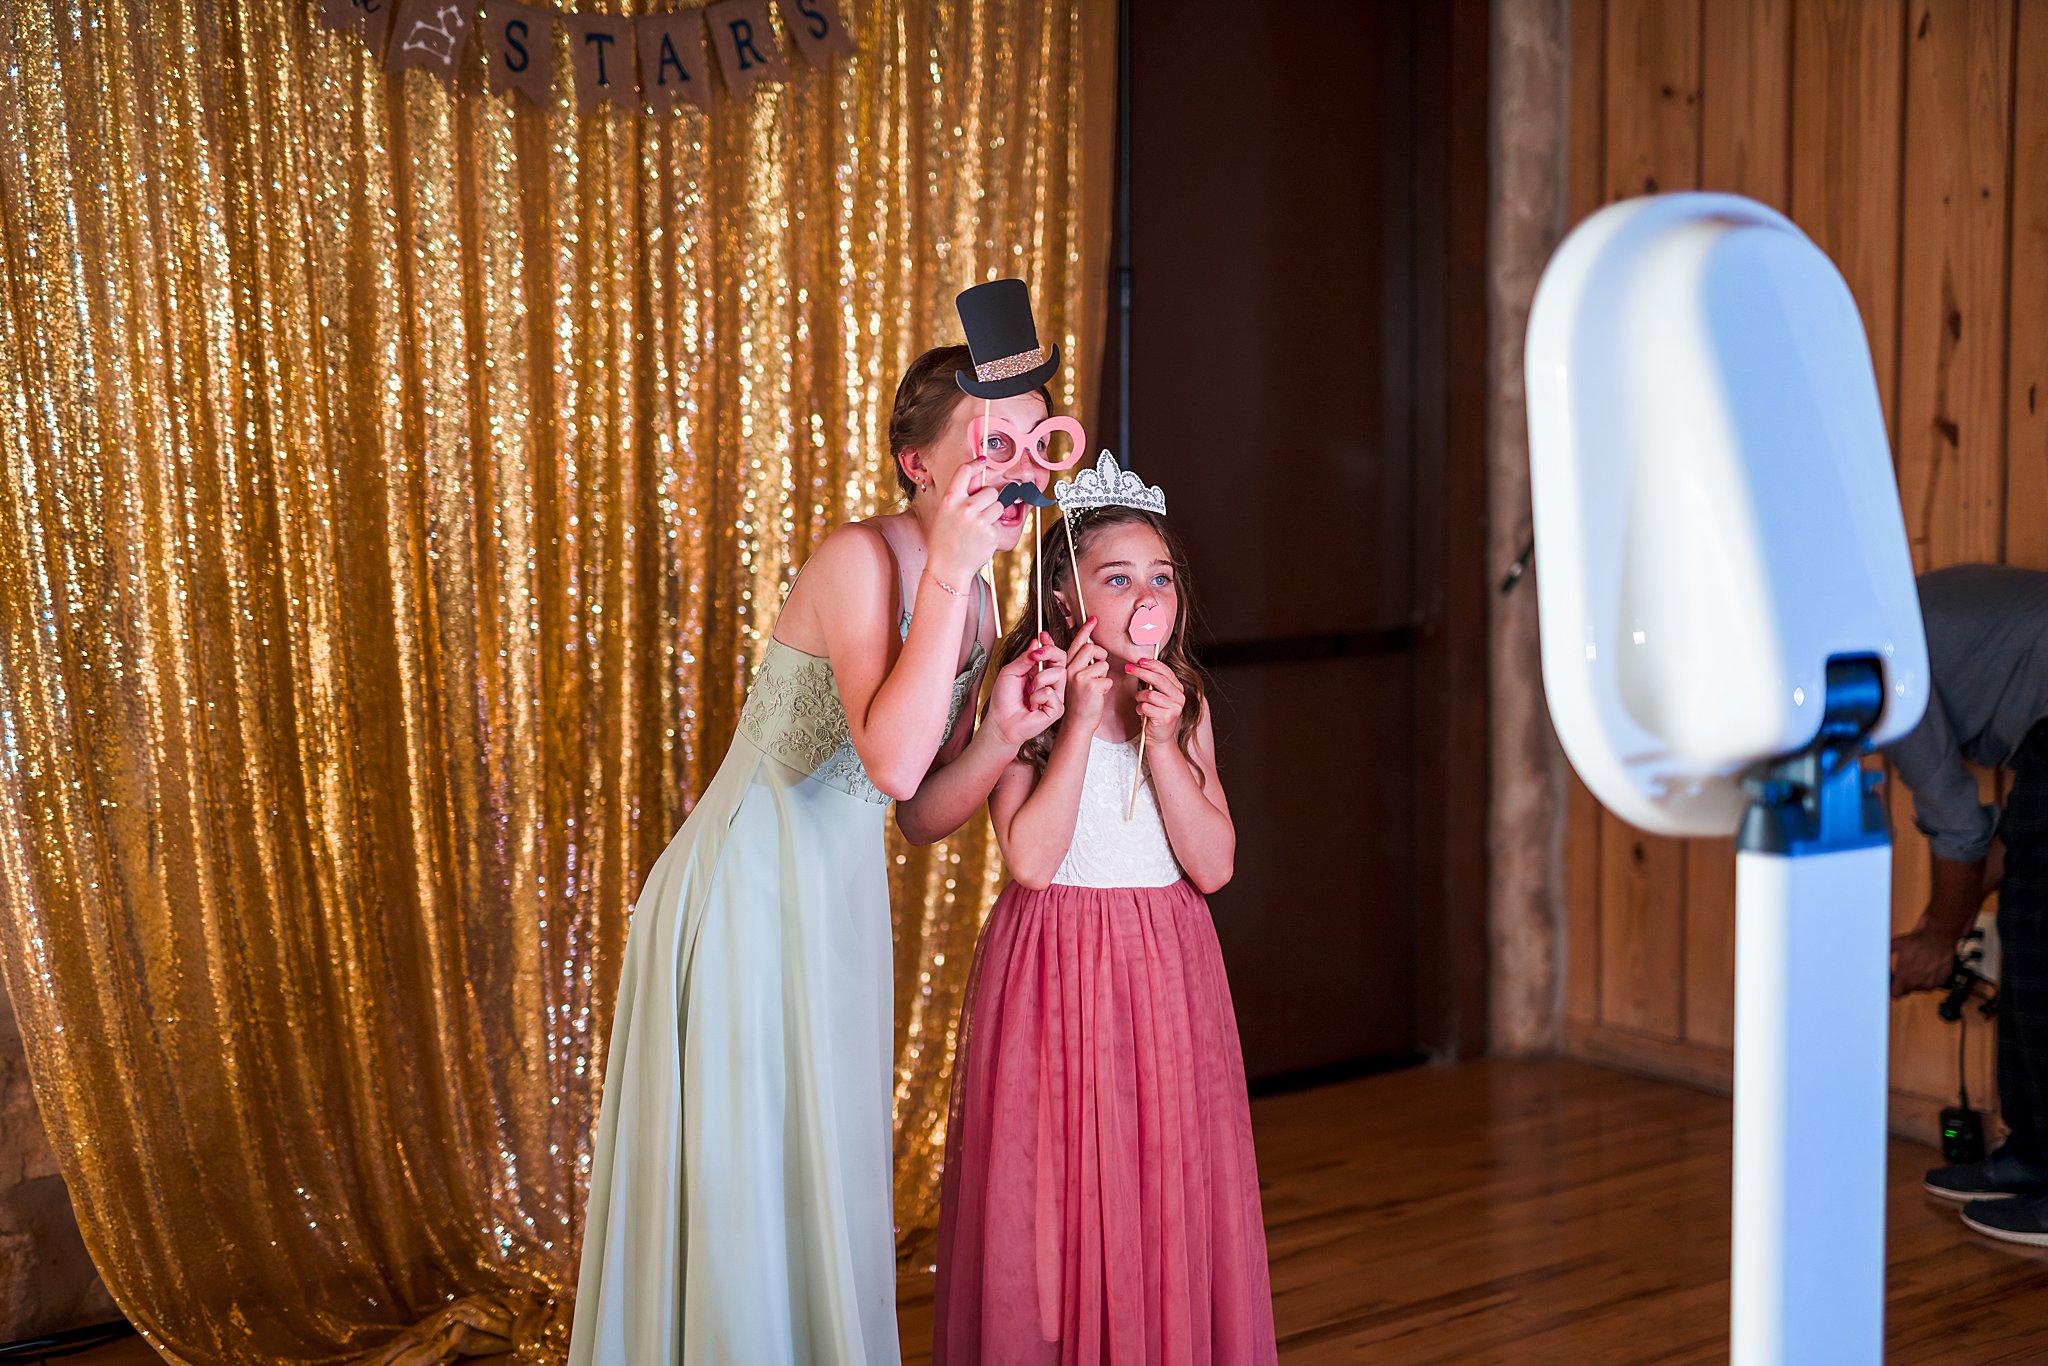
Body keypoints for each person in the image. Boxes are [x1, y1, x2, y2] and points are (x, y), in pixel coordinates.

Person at [570, 282, 1080, 1364]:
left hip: (834, 906)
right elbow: (890, 761)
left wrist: (997, 732)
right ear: (921, 466)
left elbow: (913, 814)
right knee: (752, 1175)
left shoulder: (978, 598)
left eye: (1035, 442)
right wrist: (947, 568)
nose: (1020, 468)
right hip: (747, 898)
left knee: (819, 1167)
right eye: (992, 442)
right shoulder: (865, 559)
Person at [932, 456, 1279, 1365]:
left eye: (1160, 578)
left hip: (1167, 967)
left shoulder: (1185, 704)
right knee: (1054, 1186)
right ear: (1066, 593)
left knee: (1161, 1179)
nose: (1146, 597)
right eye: (1119, 578)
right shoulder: (1035, 703)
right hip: (1055, 965)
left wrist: (1166, 744)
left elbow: (1214, 866)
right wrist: (1080, 723)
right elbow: (1033, 862)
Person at [1885, 563, 2048, 1248]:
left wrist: (1940, 940)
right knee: (2026, 917)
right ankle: (2033, 1157)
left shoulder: (1881, 663)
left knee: (2040, 940)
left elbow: (1958, 826)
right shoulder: (1882, 623)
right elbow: (2000, 850)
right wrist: (1940, 924)